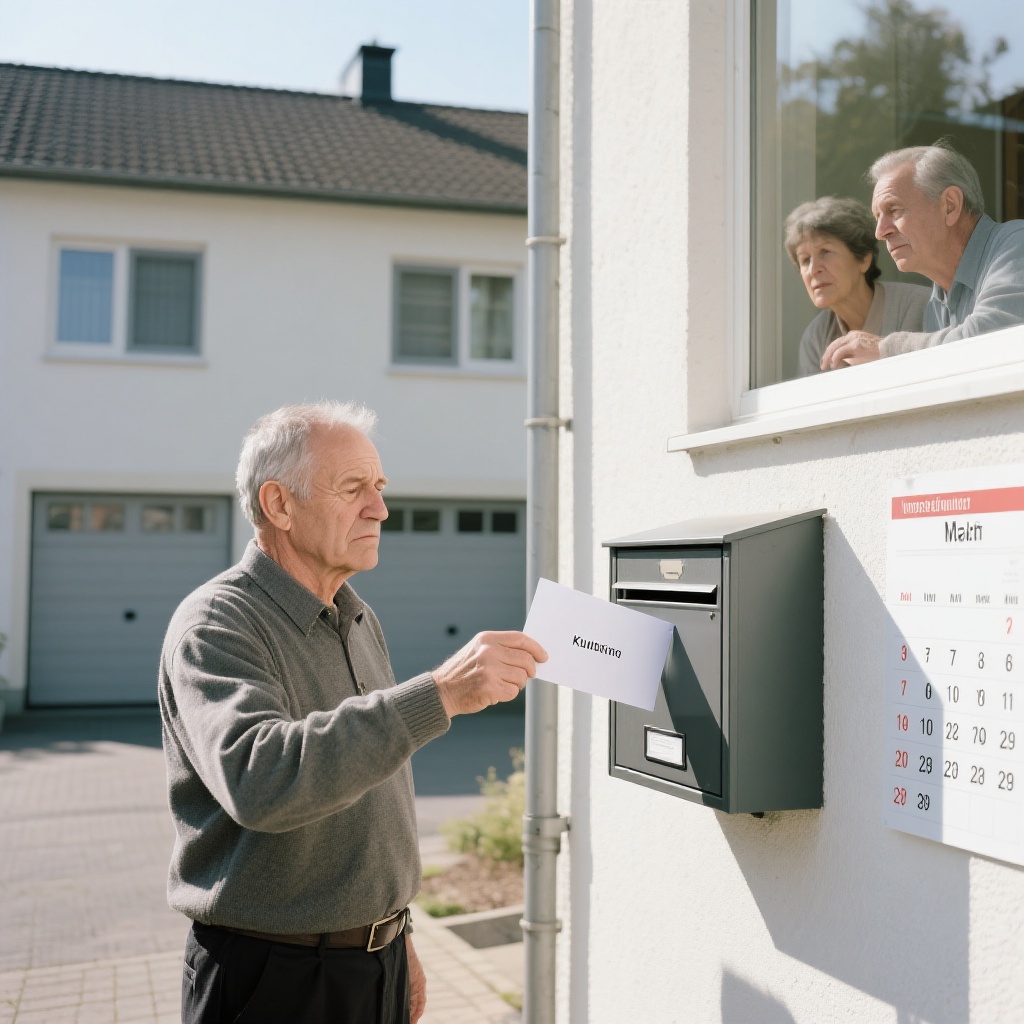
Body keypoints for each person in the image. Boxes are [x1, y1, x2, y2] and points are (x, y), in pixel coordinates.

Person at [158, 401, 547, 1024]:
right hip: (270, 979)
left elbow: (369, 793)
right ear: (279, 505)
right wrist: (440, 694)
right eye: (353, 489)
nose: (381, 509)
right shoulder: (216, 625)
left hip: (375, 961)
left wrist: (396, 935)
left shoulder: (360, 619)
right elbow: (262, 780)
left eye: (381, 487)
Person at [821, 144, 1024, 369]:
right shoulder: (936, 304)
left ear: (950, 206)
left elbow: (991, 341)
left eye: (894, 210)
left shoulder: (1016, 243)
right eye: (878, 217)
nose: (880, 232)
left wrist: (886, 349)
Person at [783, 196, 929, 376]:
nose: (813, 269)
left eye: (825, 252)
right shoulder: (815, 336)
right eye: (805, 260)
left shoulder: (919, 306)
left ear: (864, 259)